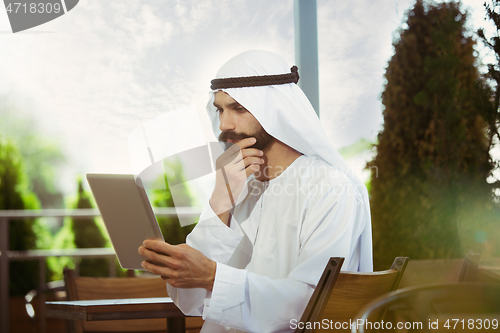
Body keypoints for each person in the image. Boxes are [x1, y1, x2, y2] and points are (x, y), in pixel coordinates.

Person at [138, 50, 373, 333]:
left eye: (238, 108)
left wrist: (212, 276)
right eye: (220, 110)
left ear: (274, 110)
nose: (224, 125)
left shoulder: (330, 189)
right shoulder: (234, 186)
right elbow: (189, 300)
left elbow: (310, 306)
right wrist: (219, 202)